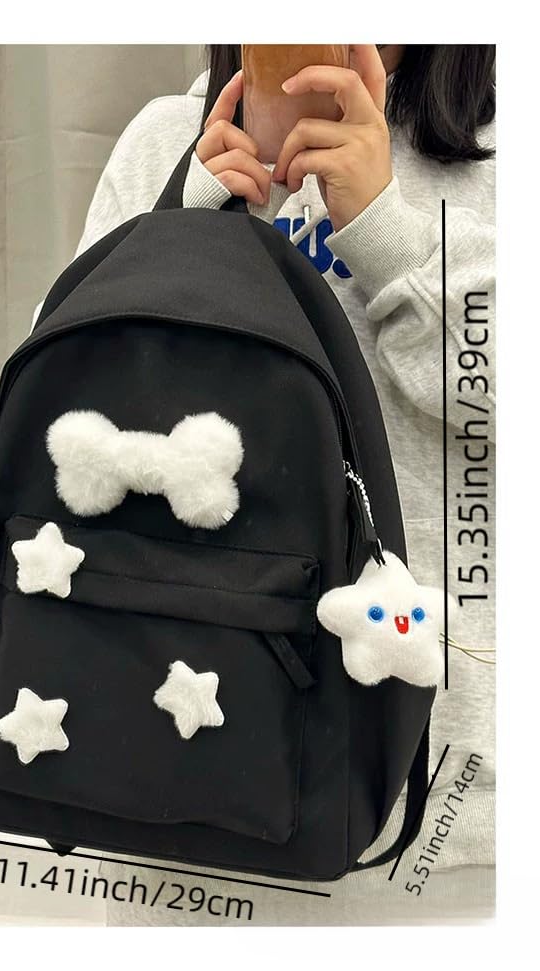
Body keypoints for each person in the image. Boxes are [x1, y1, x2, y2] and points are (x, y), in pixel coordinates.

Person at [66, 44, 496, 924]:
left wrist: (386, 229)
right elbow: (63, 418)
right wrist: (183, 226)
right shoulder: (167, 140)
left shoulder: (495, 153)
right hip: (172, 778)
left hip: (442, 812)